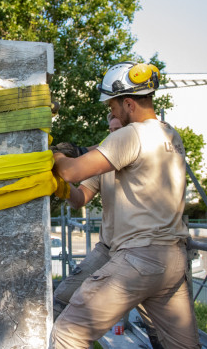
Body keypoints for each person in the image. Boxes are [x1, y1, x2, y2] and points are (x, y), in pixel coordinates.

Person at [51, 62, 199, 349]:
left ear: (129, 103)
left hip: (137, 260)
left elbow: (71, 171)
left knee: (68, 333)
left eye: (113, 107)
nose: (111, 113)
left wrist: (55, 156)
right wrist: (65, 180)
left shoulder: (132, 135)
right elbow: (81, 190)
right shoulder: (171, 137)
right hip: (172, 261)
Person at [51, 115, 164, 349]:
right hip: (108, 249)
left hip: (140, 251)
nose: (113, 135)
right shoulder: (104, 162)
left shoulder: (147, 157)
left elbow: (71, 170)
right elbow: (80, 198)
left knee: (159, 329)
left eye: (118, 129)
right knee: (62, 300)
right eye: (110, 130)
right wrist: (61, 187)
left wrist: (58, 157)